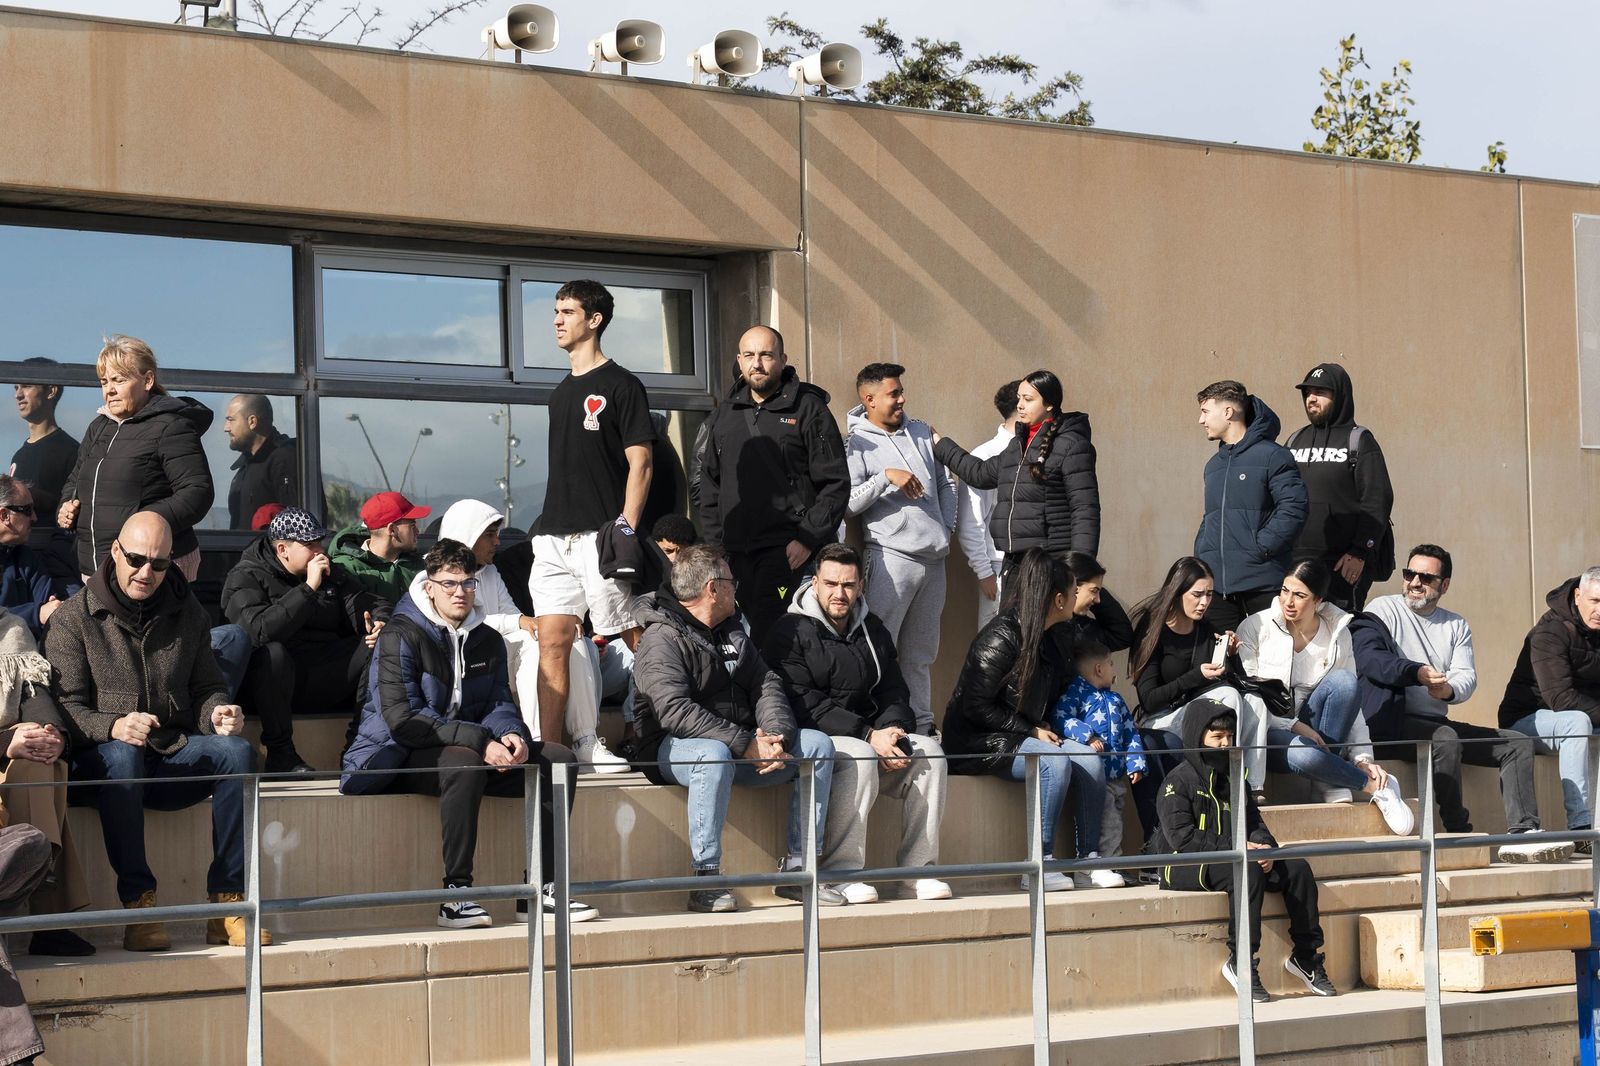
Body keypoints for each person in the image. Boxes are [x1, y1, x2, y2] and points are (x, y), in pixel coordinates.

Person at [341, 539, 596, 927]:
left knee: (558, 759)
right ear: (429, 587)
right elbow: (404, 720)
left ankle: (542, 890)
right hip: (400, 752)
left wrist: (513, 736)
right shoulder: (400, 635)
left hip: (471, 749)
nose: (461, 592)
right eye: (449, 584)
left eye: (468, 583)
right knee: (465, 760)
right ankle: (456, 894)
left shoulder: (486, 637)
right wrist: (480, 741)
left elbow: (498, 703)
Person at [51, 512, 267, 951]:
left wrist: (217, 714)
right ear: (115, 552)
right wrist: (112, 724)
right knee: (123, 753)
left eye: (160, 563)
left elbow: (206, 686)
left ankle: (226, 903)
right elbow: (63, 708)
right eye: (136, 559)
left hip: (170, 752)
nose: (146, 572)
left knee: (238, 753)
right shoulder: (74, 617)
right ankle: (140, 905)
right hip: (100, 769)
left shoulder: (187, 610)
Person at [631, 543, 841, 913]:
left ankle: (799, 870)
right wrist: (745, 743)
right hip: (671, 747)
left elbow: (766, 683)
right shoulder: (660, 637)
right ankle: (705, 879)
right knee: (712, 755)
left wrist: (775, 736)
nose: (736, 588)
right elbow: (674, 711)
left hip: (740, 744)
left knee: (818, 746)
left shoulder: (733, 630)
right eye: (731, 581)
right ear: (713, 589)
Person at [763, 544, 951, 904]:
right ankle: (842, 872)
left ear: (861, 586)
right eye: (831, 583)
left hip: (871, 735)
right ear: (815, 582)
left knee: (930, 752)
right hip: (814, 738)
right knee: (861, 754)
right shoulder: (788, 630)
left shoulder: (873, 628)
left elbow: (895, 688)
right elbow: (802, 702)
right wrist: (868, 735)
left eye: (848, 585)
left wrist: (892, 730)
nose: (839, 593)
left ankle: (919, 870)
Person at [529, 280, 655, 762]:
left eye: (568, 311)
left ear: (594, 319)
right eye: (555, 311)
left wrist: (624, 527)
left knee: (634, 637)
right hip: (552, 538)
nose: (558, 320)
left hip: (600, 536)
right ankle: (554, 752)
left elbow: (641, 464)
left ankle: (656, 728)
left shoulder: (622, 384)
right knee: (553, 642)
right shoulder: (561, 393)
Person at [1360, 546, 1550, 859]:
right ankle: (1458, 831)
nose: (1415, 582)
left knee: (1517, 744)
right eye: (1410, 574)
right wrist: (1417, 674)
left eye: (1426, 577)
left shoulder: (1455, 625)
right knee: (1445, 739)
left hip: (1433, 721)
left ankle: (1525, 833)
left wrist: (1447, 691)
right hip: (1389, 724)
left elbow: (1466, 676)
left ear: (1444, 585)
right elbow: (1373, 660)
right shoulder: (1383, 609)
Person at [941, 549, 1106, 891]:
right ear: (1058, 599)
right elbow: (975, 708)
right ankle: (1038, 866)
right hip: (979, 740)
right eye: (1075, 592)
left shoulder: (1056, 635)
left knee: (1089, 760)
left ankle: (1088, 861)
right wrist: (1030, 729)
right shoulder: (1000, 638)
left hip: (1022, 733)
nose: (1080, 597)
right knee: (1053, 763)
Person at [1155, 701, 1335, 1003]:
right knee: (1246, 869)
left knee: (1297, 867)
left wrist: (1264, 847)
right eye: (1217, 737)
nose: (1225, 743)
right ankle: (1240, 962)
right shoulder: (1178, 780)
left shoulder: (1235, 775)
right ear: (1197, 736)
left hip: (1235, 855)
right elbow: (1181, 838)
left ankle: (1306, 956)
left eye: (1229, 736)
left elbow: (1253, 822)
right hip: (1184, 863)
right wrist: (1240, 850)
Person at [439, 499, 626, 773]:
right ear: (468, 535)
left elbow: (513, 616)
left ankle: (585, 739)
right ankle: (537, 743)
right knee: (533, 641)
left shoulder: (490, 572)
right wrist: (521, 622)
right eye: (489, 535)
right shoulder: (436, 575)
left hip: (498, 656)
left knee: (568, 639)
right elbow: (459, 623)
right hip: (469, 667)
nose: (497, 543)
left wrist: (549, 626)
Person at [1236, 559, 1413, 835]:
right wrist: (1293, 725)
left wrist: (1363, 757)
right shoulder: (1255, 627)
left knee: (1345, 682)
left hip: (1320, 732)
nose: (1288, 601)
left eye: (1299, 595)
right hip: (1271, 731)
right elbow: (1249, 697)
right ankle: (1376, 787)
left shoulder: (1337, 633)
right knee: (1304, 754)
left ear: (1318, 600)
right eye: (1284, 591)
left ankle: (1328, 781)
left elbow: (1353, 707)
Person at [696, 325, 849, 644]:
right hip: (735, 558)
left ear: (782, 359)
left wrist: (807, 538)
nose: (757, 363)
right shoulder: (725, 414)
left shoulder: (809, 408)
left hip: (789, 555)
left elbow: (835, 484)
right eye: (749, 355)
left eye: (766, 355)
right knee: (742, 650)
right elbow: (708, 487)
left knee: (787, 647)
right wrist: (717, 551)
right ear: (739, 361)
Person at [223, 507, 390, 773]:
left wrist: (378, 621)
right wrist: (308, 589)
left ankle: (358, 747)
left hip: (322, 674)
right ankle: (281, 754)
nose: (319, 550)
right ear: (282, 550)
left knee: (378, 643)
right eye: (309, 544)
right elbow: (259, 632)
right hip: (271, 686)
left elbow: (367, 602)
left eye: (320, 542)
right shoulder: (245, 576)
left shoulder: (328, 570)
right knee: (272, 653)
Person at [844, 363, 957, 734]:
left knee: (921, 655)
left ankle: (921, 727)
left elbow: (947, 485)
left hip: (935, 561)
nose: (902, 399)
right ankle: (878, 726)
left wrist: (947, 527)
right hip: (890, 559)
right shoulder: (856, 443)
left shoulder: (922, 431)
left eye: (901, 391)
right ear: (869, 399)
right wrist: (885, 477)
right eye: (894, 393)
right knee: (879, 648)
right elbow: (847, 503)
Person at [58, 336, 214, 582]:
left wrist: (145, 523)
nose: (109, 389)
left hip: (153, 568)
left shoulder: (171, 425)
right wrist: (67, 505)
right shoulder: (98, 427)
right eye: (104, 381)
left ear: (148, 380)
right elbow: (75, 481)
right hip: (97, 569)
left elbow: (197, 492)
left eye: (118, 380)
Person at [1129, 557, 1266, 822]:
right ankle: (1228, 779)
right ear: (1177, 592)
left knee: (1255, 703)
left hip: (1197, 718)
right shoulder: (1153, 630)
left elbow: (1232, 682)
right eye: (1197, 594)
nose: (1204, 602)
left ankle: (1253, 787)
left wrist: (1232, 656)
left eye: (1209, 594)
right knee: (1226, 696)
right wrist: (1195, 676)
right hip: (1162, 720)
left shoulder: (1205, 630)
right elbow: (1149, 700)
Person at [933, 369, 1100, 577]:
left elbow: (1085, 509)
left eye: (1028, 399)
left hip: (1051, 563)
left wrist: (1080, 571)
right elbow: (979, 473)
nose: (1020, 405)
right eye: (1019, 398)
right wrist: (940, 444)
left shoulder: (1071, 444)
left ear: (1049, 404)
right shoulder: (1017, 445)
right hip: (1014, 562)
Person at [0, 604, 93, 957]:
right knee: (29, 753)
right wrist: (7, 743)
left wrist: (52, 736)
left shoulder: (10, 628)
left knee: (41, 761)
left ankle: (45, 907)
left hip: (7, 755)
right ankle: (45, 900)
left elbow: (34, 694)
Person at [1192, 380, 1307, 632]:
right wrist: (1202, 554)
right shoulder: (1214, 465)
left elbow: (1294, 507)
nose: (1201, 420)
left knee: (1269, 661)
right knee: (1222, 663)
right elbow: (1211, 517)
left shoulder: (1273, 455)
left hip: (1262, 583)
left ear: (1228, 412)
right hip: (1218, 587)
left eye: (1205, 411)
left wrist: (1260, 548)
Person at [1498, 566, 1600, 851]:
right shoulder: (1550, 632)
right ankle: (1582, 829)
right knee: (1577, 722)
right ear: (1578, 596)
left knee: (1582, 722)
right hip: (1526, 720)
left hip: (1581, 716)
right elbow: (1561, 699)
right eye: (1595, 601)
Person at [1285, 363, 1394, 611]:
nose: (1311, 399)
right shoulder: (1294, 440)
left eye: (1321, 392)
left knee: (1340, 637)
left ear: (1340, 396)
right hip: (1296, 562)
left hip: (1343, 564)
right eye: (1308, 392)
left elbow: (1377, 499)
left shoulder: (1359, 440)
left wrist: (1359, 553)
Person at [1051, 639, 1144, 885]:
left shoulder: (1115, 699)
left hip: (1117, 776)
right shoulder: (1076, 692)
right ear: (1099, 669)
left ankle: (1109, 864)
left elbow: (1131, 732)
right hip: (1094, 778)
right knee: (1108, 822)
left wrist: (1135, 762)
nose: (1114, 669)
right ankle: (1108, 865)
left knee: (1115, 821)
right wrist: (1087, 735)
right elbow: (1061, 719)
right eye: (1111, 664)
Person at [955, 380, 1020, 627]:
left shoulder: (1040, 452)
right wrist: (984, 573)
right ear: (1020, 407)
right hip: (999, 567)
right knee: (996, 644)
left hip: (1036, 565)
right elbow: (970, 522)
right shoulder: (985, 456)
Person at [10, 358, 80, 587]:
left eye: (27, 386)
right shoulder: (18, 456)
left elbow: (77, 509)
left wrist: (33, 496)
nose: (18, 394)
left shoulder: (72, 451)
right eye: (15, 387)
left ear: (51, 390)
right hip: (21, 565)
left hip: (55, 568)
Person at [329, 491, 430, 604]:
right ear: (392, 530)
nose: (417, 531)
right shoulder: (345, 570)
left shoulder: (422, 567)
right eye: (412, 526)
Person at [0, 476, 66, 639]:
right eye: (27, 510)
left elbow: (50, 603)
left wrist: (49, 609)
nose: (35, 518)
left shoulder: (26, 557)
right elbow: (43, 611)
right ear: (4, 515)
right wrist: (36, 614)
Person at [222, 394, 299, 531]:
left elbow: (296, 524)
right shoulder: (246, 465)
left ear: (252, 422)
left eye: (231, 420)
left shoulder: (285, 459)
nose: (226, 428)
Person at [1063, 552, 1134, 654]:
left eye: (1099, 592)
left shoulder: (1082, 627)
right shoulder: (1040, 625)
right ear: (1073, 585)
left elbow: (1121, 636)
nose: (1098, 600)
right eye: (1094, 591)